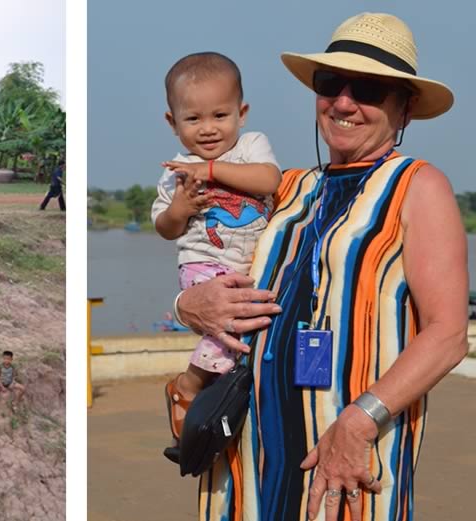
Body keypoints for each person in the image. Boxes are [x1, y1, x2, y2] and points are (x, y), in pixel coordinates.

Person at [172, 14, 467, 521]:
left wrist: (359, 421)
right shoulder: (287, 187)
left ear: (406, 107)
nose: (345, 102)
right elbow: (207, 255)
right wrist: (187, 305)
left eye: (369, 89)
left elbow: (448, 334)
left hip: (348, 452)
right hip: (248, 453)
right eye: (332, 84)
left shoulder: (418, 187)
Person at [149, 52, 282, 453]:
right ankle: (189, 385)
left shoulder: (251, 146)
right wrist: (180, 208)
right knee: (233, 331)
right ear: (173, 123)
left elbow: (268, 178)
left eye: (220, 116)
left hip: (246, 267)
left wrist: (211, 172)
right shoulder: (176, 170)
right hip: (202, 265)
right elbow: (164, 228)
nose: (208, 129)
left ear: (241, 113)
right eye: (193, 119)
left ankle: (207, 405)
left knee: (242, 332)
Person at [0, 351, 26, 416]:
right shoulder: (0, 366)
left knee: (23, 389)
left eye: (8, 359)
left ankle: (15, 403)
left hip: (9, 383)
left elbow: (14, 376)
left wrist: (13, 382)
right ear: (3, 358)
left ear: (11, 359)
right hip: (2, 383)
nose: (6, 360)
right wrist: (1, 386)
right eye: (5, 359)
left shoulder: (13, 366)